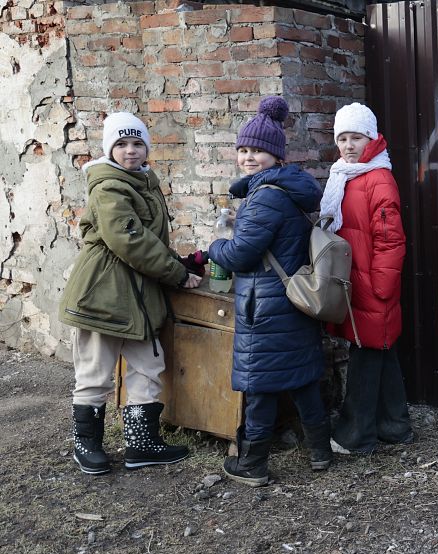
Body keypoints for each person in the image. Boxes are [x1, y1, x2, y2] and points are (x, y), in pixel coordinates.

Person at [60, 112, 201, 475]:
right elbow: (130, 240)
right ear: (109, 149)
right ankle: (87, 446)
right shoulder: (108, 187)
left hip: (139, 291)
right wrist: (175, 274)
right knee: (95, 370)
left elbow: (151, 239)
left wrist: (181, 265)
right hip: (103, 291)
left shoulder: (143, 181)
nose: (130, 150)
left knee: (148, 366)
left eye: (137, 143)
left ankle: (142, 445)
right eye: (121, 144)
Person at [207, 96, 332, 487]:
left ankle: (252, 464)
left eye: (258, 151)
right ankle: (320, 452)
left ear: (276, 157)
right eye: (243, 149)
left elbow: (241, 255)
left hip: (264, 306)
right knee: (303, 379)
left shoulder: (264, 197)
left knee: (260, 384)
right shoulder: (287, 191)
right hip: (291, 301)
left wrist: (213, 246)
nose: (248, 157)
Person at [321, 102, 412, 455]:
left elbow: (390, 240)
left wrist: (382, 288)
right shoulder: (344, 174)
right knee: (380, 350)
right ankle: (395, 426)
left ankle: (355, 435)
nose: (348, 145)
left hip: (373, 285)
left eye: (355, 137)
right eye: (342, 138)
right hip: (354, 282)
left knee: (365, 354)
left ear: (371, 139)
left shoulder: (378, 179)